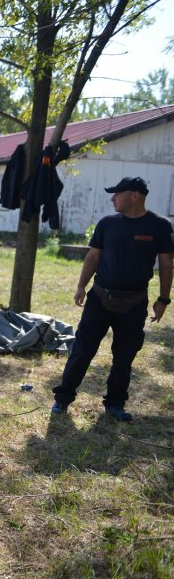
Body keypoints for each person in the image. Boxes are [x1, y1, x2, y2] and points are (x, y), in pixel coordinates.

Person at [51, 177, 173, 421]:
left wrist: (163, 299)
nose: (112, 198)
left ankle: (115, 403)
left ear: (135, 195)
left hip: (135, 302)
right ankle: (62, 399)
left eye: (117, 193)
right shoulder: (107, 223)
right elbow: (93, 257)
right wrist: (81, 286)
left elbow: (167, 263)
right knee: (83, 349)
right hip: (100, 297)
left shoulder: (159, 225)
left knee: (124, 355)